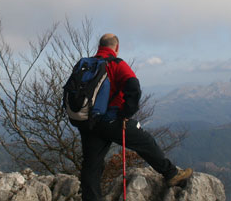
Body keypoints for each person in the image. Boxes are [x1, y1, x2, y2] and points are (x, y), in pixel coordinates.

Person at [77, 33, 192, 201]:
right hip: (112, 120)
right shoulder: (117, 64)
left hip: (88, 123)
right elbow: (134, 86)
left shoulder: (85, 64)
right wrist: (126, 113)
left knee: (91, 165)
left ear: (99, 46)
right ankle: (171, 174)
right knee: (145, 142)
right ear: (116, 47)